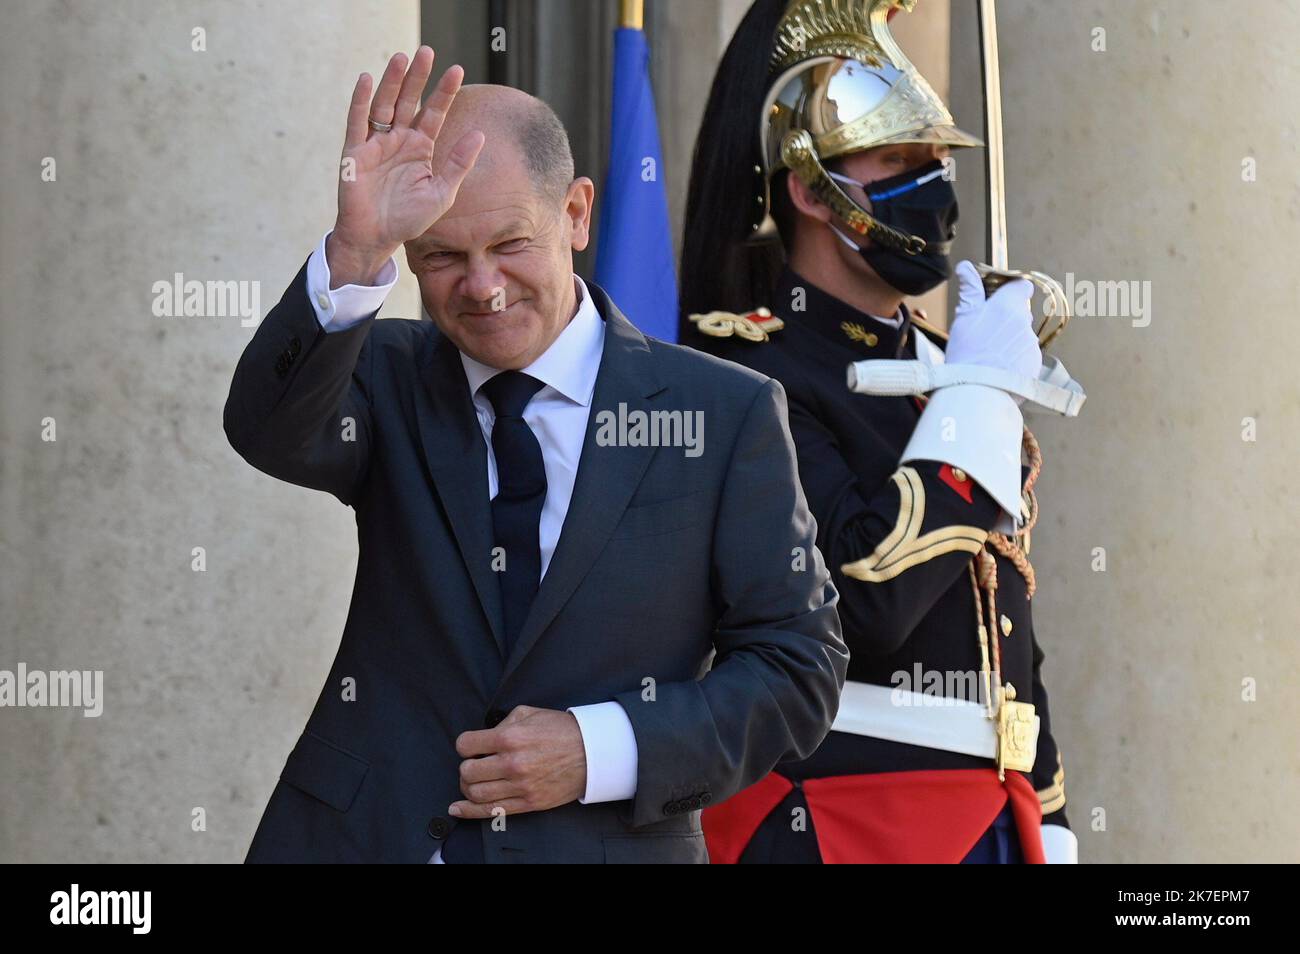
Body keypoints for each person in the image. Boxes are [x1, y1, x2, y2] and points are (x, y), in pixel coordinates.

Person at [224, 45, 847, 863]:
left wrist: (601, 749)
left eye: (510, 244)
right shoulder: (382, 373)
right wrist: (355, 251)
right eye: (441, 256)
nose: (481, 287)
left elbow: (797, 668)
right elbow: (265, 429)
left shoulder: (724, 413)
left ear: (577, 214)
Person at [682, 0, 1077, 863]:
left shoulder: (950, 361)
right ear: (809, 188)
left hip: (987, 815)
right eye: (898, 159)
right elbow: (864, 597)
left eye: (936, 160)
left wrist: (1048, 814)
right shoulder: (745, 368)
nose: (932, 183)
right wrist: (975, 394)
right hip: (838, 813)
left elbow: (1004, 615)